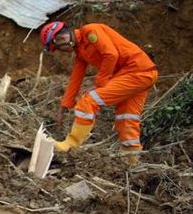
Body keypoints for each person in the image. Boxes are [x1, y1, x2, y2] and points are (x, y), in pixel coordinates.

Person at [39, 21, 158, 164]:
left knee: (89, 100)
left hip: (137, 72)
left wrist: (99, 84)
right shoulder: (80, 52)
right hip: (140, 74)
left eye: (58, 48)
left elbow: (111, 54)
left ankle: (70, 144)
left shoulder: (90, 31)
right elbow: (76, 78)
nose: (62, 51)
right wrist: (64, 106)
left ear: (61, 39)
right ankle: (132, 161)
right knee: (126, 118)